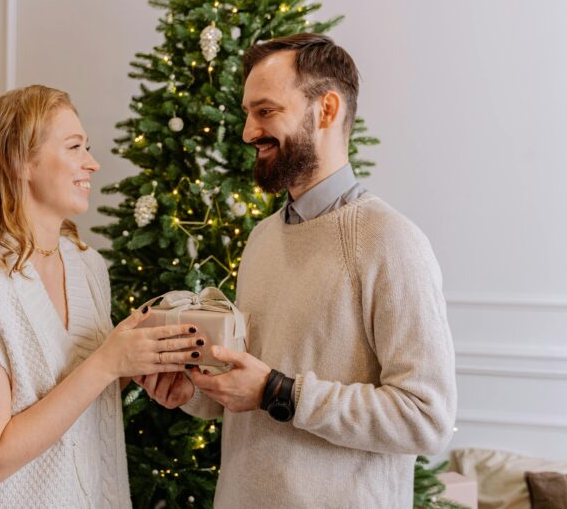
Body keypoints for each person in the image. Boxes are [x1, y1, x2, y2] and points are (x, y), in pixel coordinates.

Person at [135, 33, 457, 507]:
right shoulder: (263, 238)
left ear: (325, 110)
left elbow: (426, 418)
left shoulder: (391, 242)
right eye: (248, 112)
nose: (248, 131)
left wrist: (277, 391)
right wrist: (194, 392)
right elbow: (252, 384)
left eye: (265, 111)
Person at [0, 85, 203, 508]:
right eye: (74, 148)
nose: (92, 163)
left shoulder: (87, 266)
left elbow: (78, 387)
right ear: (18, 161)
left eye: (87, 147)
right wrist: (109, 362)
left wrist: (141, 365)